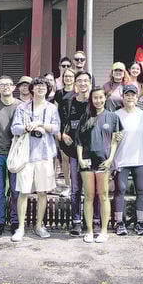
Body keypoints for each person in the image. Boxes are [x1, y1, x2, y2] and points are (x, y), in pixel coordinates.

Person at [10, 77, 61, 242]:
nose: (40, 88)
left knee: (42, 192)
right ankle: (21, 227)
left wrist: (40, 124)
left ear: (48, 89)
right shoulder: (22, 107)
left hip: (45, 155)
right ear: (31, 89)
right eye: (37, 86)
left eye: (44, 86)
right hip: (26, 155)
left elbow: (55, 128)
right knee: (23, 192)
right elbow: (14, 128)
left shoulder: (52, 108)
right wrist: (26, 127)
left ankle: (39, 225)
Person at [76, 87, 121, 243]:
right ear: (91, 99)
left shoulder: (112, 117)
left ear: (105, 98)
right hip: (87, 161)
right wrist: (80, 158)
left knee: (103, 195)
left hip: (104, 160)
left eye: (101, 97)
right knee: (88, 195)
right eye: (95, 98)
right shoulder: (85, 117)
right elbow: (79, 141)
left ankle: (103, 231)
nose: (98, 100)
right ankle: (88, 231)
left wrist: (110, 159)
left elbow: (115, 140)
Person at [0, 76, 23, 237]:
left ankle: (15, 221)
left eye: (8, 84)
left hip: (15, 153)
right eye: (2, 85)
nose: (6, 87)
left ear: (13, 87)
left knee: (16, 189)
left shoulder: (21, 106)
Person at [58, 70, 92, 236]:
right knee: (76, 188)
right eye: (80, 81)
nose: (83, 84)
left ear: (90, 83)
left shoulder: (95, 102)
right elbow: (62, 122)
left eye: (86, 81)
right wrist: (63, 134)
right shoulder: (68, 101)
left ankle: (93, 221)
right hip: (73, 152)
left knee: (92, 190)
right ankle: (76, 222)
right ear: (75, 84)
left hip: (92, 152)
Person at [112, 84, 143, 236]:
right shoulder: (116, 115)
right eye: (127, 94)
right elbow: (111, 137)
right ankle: (119, 222)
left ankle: (140, 223)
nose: (130, 97)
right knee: (119, 190)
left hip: (140, 159)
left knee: (141, 191)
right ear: (123, 96)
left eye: (133, 94)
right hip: (121, 159)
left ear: (137, 96)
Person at [54, 67, 76, 197]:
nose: (68, 78)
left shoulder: (77, 92)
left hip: (75, 129)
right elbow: (55, 113)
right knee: (65, 159)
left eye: (70, 76)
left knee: (77, 159)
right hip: (62, 129)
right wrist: (58, 130)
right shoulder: (59, 93)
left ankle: (77, 186)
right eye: (66, 76)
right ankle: (68, 185)